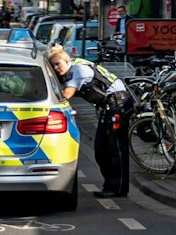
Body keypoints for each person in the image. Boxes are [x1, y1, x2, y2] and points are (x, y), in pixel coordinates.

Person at [47, 44, 133, 200]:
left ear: (67, 60)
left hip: (118, 104)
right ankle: (111, 185)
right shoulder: (74, 69)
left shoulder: (78, 70)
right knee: (101, 149)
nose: (56, 68)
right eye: (53, 66)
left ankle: (118, 188)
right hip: (109, 106)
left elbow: (66, 95)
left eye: (58, 64)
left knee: (115, 148)